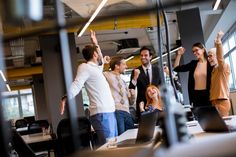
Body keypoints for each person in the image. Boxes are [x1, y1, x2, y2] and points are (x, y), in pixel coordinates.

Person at [59, 30, 117, 146]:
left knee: (113, 145)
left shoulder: (96, 68)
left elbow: (100, 59)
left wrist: (95, 43)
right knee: (108, 148)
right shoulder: (85, 67)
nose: (99, 56)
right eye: (97, 53)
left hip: (109, 112)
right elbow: (77, 84)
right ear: (94, 55)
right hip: (101, 114)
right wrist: (65, 97)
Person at [103, 56, 135, 135]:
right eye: (124, 64)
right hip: (117, 111)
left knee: (131, 136)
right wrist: (103, 61)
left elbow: (131, 102)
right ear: (117, 66)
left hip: (127, 112)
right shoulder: (107, 75)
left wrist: (133, 95)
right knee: (121, 138)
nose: (126, 66)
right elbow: (97, 71)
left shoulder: (124, 82)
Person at [129, 46, 162, 119]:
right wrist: (135, 77)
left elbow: (162, 86)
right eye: (141, 55)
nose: (143, 57)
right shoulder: (135, 71)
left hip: (156, 103)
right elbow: (131, 88)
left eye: (146, 55)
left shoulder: (157, 70)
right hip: (142, 104)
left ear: (150, 57)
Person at [207, 31, 231, 117]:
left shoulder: (223, 67)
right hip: (214, 101)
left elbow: (220, 57)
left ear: (216, 55)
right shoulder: (214, 70)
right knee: (218, 127)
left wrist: (218, 41)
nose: (209, 58)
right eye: (208, 56)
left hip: (222, 101)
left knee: (223, 128)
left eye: (210, 56)